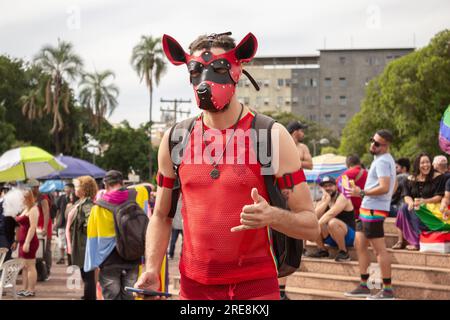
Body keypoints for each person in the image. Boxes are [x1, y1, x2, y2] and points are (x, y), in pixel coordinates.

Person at [134, 32, 319, 300]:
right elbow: (161, 216)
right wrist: (152, 267)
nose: (205, 80)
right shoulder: (176, 140)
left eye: (218, 69)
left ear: (237, 70)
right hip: (193, 289)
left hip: (255, 289)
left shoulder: (271, 136)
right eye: (196, 70)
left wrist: (272, 216)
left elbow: (311, 225)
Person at [84, 170, 154, 300]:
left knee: (112, 297)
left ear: (105, 185)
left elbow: (92, 240)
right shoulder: (138, 197)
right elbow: (149, 187)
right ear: (122, 183)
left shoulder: (98, 208)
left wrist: (91, 264)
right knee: (129, 296)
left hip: (109, 261)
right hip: (133, 256)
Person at [345, 129, 397, 300]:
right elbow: (392, 186)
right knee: (360, 244)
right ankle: (365, 285)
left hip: (374, 211)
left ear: (386, 145)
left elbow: (384, 186)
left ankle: (387, 290)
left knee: (379, 250)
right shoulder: (382, 160)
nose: (372, 145)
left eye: (377, 144)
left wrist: (361, 192)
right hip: (369, 210)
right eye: (372, 141)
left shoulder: (383, 161)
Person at [394, 153, 445, 250]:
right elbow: (406, 195)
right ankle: (409, 241)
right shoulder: (410, 179)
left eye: (427, 162)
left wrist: (424, 201)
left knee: (410, 209)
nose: (426, 165)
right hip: (416, 209)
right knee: (404, 208)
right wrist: (410, 203)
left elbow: (439, 197)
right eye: (422, 163)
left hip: (433, 212)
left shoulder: (439, 177)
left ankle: (414, 242)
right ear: (417, 165)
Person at [307, 176, 355, 262]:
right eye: (325, 186)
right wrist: (325, 202)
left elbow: (331, 213)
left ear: (336, 187)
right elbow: (313, 216)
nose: (328, 188)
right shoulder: (324, 199)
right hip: (331, 237)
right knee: (316, 221)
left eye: (330, 185)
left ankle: (343, 252)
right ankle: (322, 250)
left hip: (349, 237)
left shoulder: (343, 197)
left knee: (332, 222)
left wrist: (314, 228)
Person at [70, 176, 97, 300]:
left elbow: (90, 222)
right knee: (85, 275)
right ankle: (88, 296)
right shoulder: (81, 203)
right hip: (81, 245)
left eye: (77, 186)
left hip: (84, 245)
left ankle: (89, 297)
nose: (74, 189)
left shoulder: (87, 205)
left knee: (87, 276)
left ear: (84, 189)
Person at [15, 189, 39, 297]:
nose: (20, 200)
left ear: (27, 198)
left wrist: (27, 242)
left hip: (29, 241)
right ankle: (25, 289)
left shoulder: (34, 209)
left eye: (22, 198)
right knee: (24, 266)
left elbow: (33, 227)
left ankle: (31, 290)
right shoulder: (26, 209)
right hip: (23, 240)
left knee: (30, 265)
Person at [27, 179, 52, 278]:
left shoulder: (43, 197)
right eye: (34, 187)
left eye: (37, 187)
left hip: (43, 226)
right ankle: (39, 271)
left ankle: (48, 270)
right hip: (34, 226)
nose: (36, 189)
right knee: (36, 250)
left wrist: (45, 228)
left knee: (46, 250)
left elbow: (46, 213)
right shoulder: (29, 197)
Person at [341, 155, 367, 219]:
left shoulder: (347, 174)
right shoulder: (367, 173)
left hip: (351, 213)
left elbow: (338, 188)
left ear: (347, 165)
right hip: (366, 211)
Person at [54, 183, 75, 265]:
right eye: (65, 188)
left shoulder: (75, 198)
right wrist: (56, 221)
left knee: (69, 241)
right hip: (62, 222)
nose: (66, 189)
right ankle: (62, 257)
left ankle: (69, 258)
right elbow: (58, 210)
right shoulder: (61, 198)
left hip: (71, 223)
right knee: (61, 241)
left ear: (72, 189)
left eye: (68, 188)